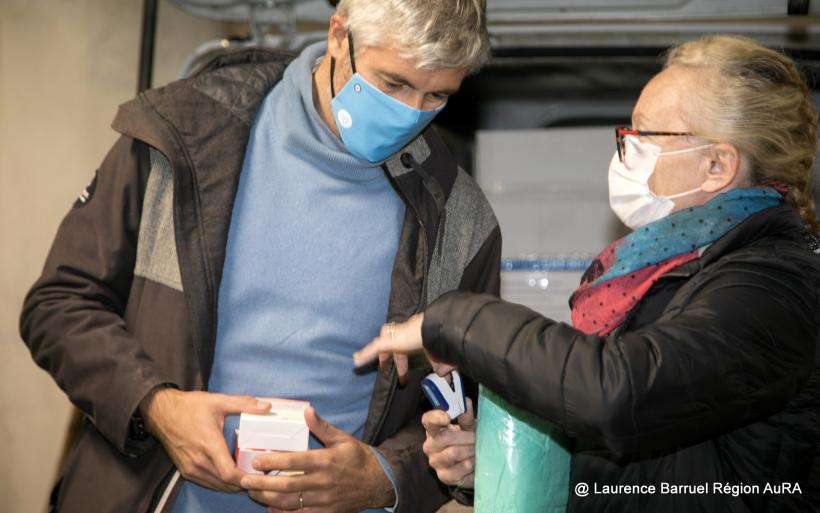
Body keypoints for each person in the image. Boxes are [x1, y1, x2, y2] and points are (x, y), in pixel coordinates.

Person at [19, 1, 501, 512]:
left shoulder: (461, 220)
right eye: (393, 85)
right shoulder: (180, 134)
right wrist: (155, 406)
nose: (410, 115)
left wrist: (385, 478)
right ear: (339, 36)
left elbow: (468, 419)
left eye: (437, 96)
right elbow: (59, 305)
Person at [355, 35, 820, 512]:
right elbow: (639, 469)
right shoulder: (665, 271)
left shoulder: (776, 285)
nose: (625, 151)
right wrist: (498, 458)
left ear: (717, 165)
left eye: (644, 136)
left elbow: (617, 395)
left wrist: (452, 321)